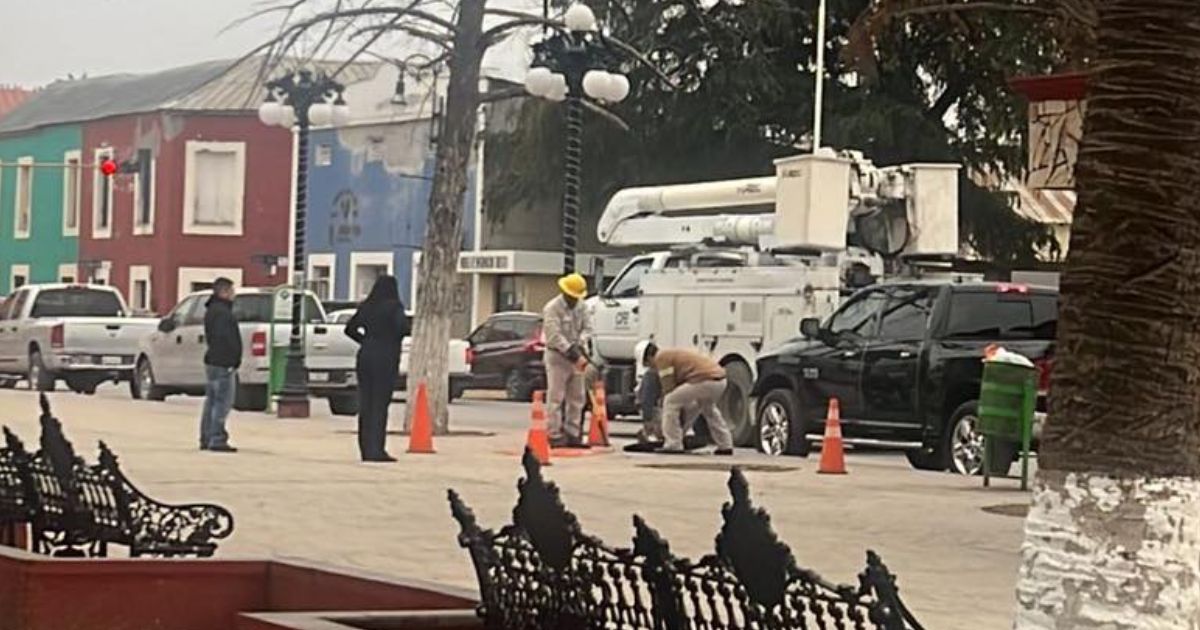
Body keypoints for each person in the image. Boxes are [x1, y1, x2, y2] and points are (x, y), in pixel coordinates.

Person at [344, 275, 410, 462]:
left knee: (366, 403)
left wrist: (366, 341)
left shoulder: (367, 306)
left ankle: (365, 449)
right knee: (380, 404)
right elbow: (402, 328)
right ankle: (377, 450)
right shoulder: (394, 307)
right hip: (386, 357)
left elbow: (350, 329)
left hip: (365, 356)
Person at [638, 341, 734, 455]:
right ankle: (725, 445)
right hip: (720, 381)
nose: (652, 368)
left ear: (649, 357)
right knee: (708, 410)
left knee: (670, 401)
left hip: (705, 380)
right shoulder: (671, 354)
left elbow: (669, 388)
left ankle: (673, 443)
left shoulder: (661, 357)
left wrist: (658, 420)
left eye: (648, 364)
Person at [542, 273, 592, 448]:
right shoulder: (552, 308)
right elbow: (554, 335)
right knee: (556, 397)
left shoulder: (582, 307)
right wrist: (570, 350)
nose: (574, 300)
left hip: (576, 356)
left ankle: (573, 433)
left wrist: (580, 345)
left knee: (577, 397)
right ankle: (554, 433)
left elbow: (588, 328)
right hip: (557, 356)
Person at [200, 278, 241, 453]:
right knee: (222, 402)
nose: (234, 294)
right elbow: (225, 338)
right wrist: (233, 359)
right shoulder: (223, 313)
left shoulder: (212, 311)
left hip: (212, 361)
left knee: (211, 400)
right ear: (223, 292)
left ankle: (206, 436)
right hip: (223, 362)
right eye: (231, 291)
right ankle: (217, 438)